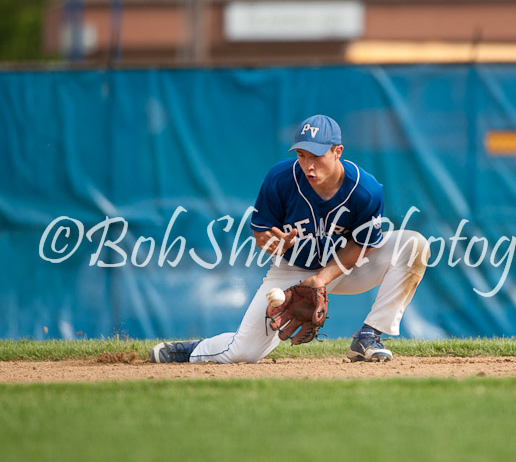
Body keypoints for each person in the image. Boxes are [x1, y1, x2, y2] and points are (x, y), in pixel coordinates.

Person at [150, 114, 429, 364]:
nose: (308, 165)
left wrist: (321, 279)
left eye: (316, 156)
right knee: (243, 352)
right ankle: (191, 350)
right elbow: (261, 233)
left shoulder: (365, 190)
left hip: (346, 267)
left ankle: (368, 336)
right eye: (302, 155)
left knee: (413, 245)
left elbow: (363, 244)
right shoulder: (281, 179)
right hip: (292, 270)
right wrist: (272, 243)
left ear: (337, 151)